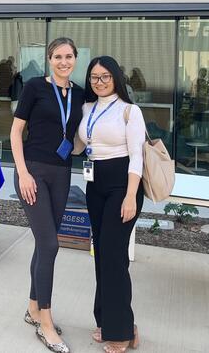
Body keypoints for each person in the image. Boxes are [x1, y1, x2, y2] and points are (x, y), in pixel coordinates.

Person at [10, 37, 85, 353]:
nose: (63, 61)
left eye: (69, 56)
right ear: (49, 59)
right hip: (33, 173)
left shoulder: (80, 94)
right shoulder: (34, 88)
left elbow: (78, 139)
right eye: (58, 56)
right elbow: (15, 132)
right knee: (51, 245)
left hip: (62, 173)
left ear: (75, 59)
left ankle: (32, 308)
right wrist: (23, 172)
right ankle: (46, 322)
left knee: (45, 243)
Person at [77, 56, 146, 353]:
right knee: (101, 254)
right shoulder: (86, 108)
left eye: (105, 76)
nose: (100, 82)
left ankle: (123, 332)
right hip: (95, 185)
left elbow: (137, 157)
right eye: (94, 77)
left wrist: (131, 196)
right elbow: (81, 143)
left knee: (114, 257)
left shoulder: (130, 111)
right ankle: (107, 320)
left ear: (116, 78)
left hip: (123, 186)